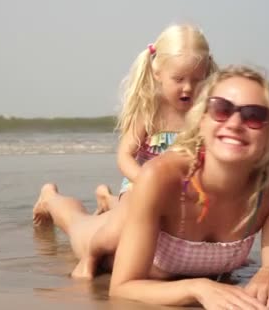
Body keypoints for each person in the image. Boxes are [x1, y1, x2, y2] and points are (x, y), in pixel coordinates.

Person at [33, 65, 269, 310]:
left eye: (254, 115)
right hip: (113, 248)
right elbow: (122, 288)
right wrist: (199, 288)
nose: (235, 123)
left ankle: (108, 200)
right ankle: (50, 198)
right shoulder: (162, 176)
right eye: (222, 109)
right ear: (201, 119)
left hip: (149, 227)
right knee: (76, 223)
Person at [93, 24, 218, 214]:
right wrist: (146, 181)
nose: (188, 88)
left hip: (183, 187)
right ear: (157, 73)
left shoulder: (206, 111)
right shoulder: (150, 109)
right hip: (140, 181)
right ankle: (64, 200)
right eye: (178, 79)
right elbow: (124, 156)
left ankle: (107, 200)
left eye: (196, 79)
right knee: (125, 221)